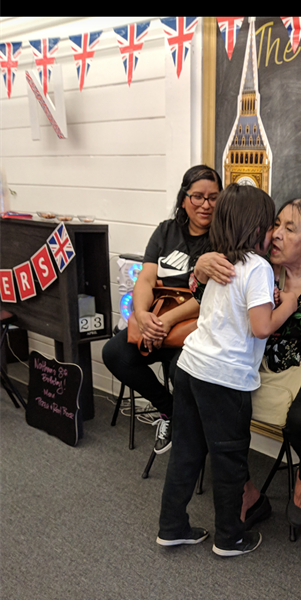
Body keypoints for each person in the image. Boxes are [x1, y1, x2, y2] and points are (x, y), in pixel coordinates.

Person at [193, 198, 301, 528]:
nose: (275, 234)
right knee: (217, 400)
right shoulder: (258, 259)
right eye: (276, 224)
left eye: (289, 228)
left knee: (300, 418)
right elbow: (201, 295)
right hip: (260, 361)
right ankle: (245, 489)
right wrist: (199, 268)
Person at [156, 184, 298, 556]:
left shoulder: (219, 261)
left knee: (187, 451)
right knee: (230, 459)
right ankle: (230, 538)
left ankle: (171, 527)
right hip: (225, 379)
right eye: (271, 226)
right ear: (257, 229)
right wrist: (291, 304)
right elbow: (261, 327)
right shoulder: (260, 267)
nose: (275, 234)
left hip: (189, 367)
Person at [102, 165, 221, 455]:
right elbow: (145, 277)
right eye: (198, 196)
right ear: (184, 199)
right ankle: (168, 412)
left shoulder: (223, 239)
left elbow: (210, 296)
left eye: (214, 197)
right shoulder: (165, 231)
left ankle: (191, 435)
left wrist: (166, 321)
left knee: (180, 371)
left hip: (194, 323)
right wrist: (142, 316)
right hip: (157, 315)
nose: (206, 204)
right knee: (115, 354)